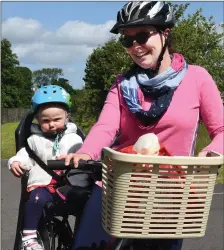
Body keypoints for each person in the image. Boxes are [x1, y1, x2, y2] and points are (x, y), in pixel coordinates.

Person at [60, 1, 223, 250]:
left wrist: (212, 151)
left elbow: (221, 130)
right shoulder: (122, 84)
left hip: (169, 194)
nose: (135, 46)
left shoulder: (197, 78)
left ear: (165, 33)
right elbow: (106, 126)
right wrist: (86, 152)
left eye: (143, 35)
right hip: (118, 187)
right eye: (127, 40)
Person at [8, 85, 83, 250]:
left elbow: (87, 156)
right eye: (45, 121)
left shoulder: (75, 139)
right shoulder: (35, 140)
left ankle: (85, 237)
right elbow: (24, 155)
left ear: (67, 116)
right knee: (36, 198)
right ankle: (29, 237)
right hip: (44, 186)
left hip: (69, 186)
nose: (51, 124)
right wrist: (16, 162)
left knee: (91, 200)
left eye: (57, 119)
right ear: (37, 119)